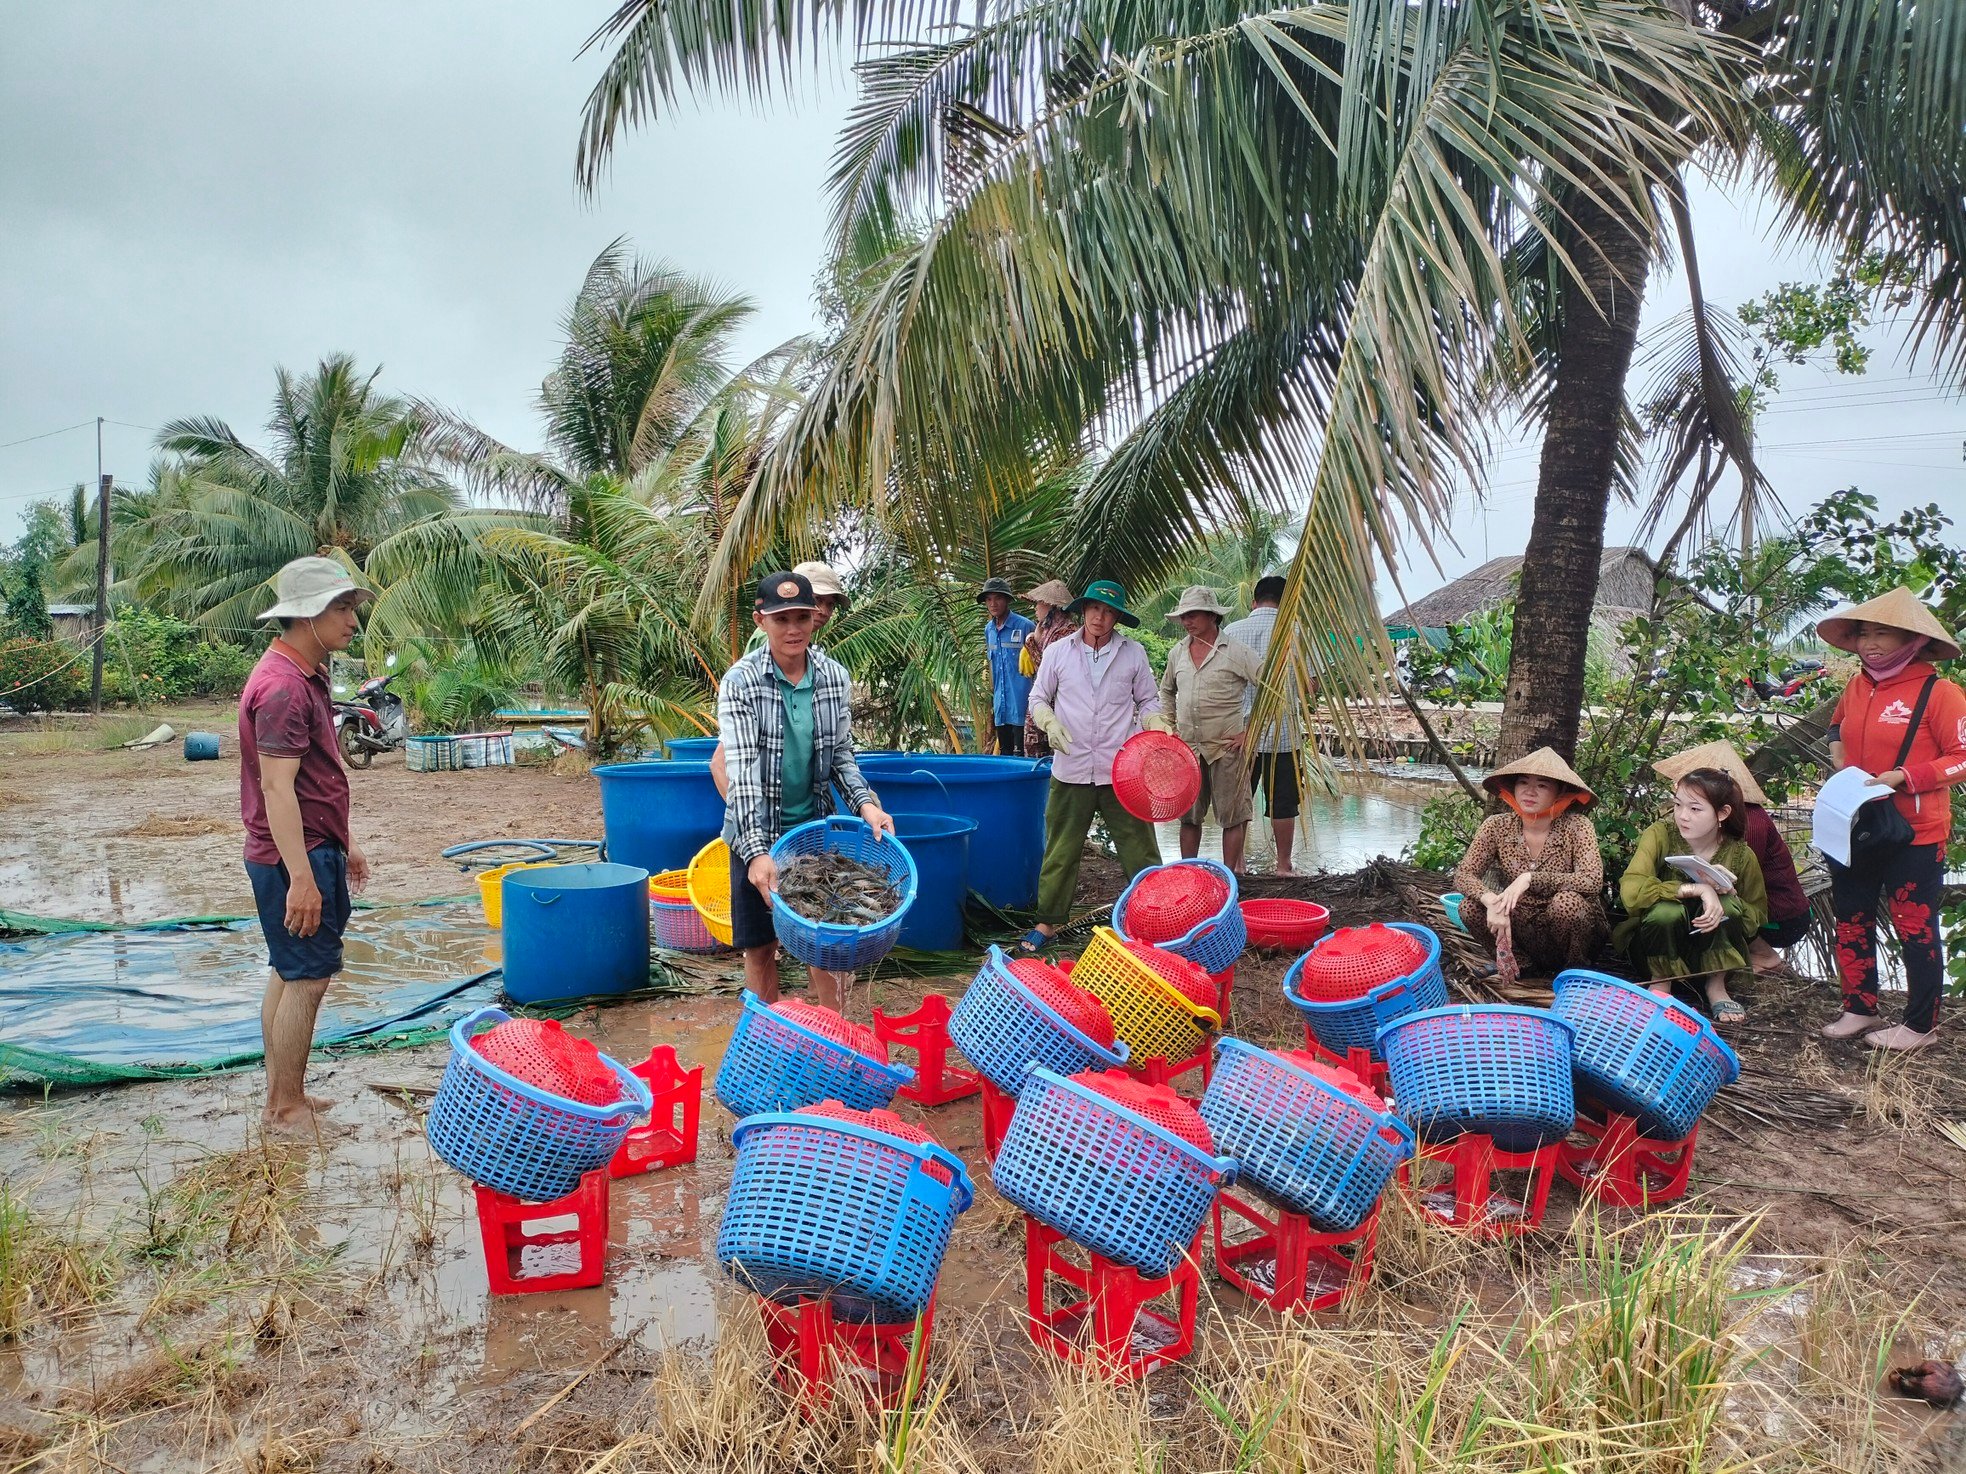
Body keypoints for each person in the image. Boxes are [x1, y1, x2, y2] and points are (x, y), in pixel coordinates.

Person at [239, 557, 373, 1133]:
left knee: (289, 971)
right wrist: (302, 877)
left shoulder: (304, 675)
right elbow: (277, 787)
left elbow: (318, 776)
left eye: (351, 608)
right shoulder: (283, 689)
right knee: (309, 977)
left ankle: (282, 1093)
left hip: (314, 844)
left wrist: (348, 842)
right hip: (294, 853)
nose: (352, 621)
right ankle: (285, 1107)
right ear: (307, 615)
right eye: (341, 608)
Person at [719, 570, 893, 1010]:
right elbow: (741, 776)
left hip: (812, 831)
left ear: (815, 617)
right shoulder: (740, 682)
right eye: (781, 619)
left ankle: (833, 1035)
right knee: (760, 947)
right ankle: (766, 1038)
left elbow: (840, 757)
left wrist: (867, 806)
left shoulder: (833, 677)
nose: (793, 629)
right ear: (761, 621)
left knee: (825, 941)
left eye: (802, 617)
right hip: (754, 830)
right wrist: (758, 852)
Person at [1814, 588, 1966, 1051]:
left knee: (1914, 925)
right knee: (1852, 917)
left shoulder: (1940, 693)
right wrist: (1841, 760)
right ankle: (1859, 1008)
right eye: (1863, 633)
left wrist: (1905, 776)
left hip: (1915, 833)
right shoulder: (1858, 685)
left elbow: (1963, 756)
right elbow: (1836, 726)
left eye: (1882, 633)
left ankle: (1920, 1026)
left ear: (1913, 640)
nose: (1869, 644)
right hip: (1855, 824)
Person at [1020, 580, 1171, 953]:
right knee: (1061, 849)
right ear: (1082, 610)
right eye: (1093, 610)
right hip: (1070, 767)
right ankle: (1047, 922)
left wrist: (1158, 722)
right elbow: (1038, 696)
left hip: (1122, 769)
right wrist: (1048, 721)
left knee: (1140, 846)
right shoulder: (1057, 652)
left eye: (1108, 612)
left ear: (1117, 616)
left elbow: (1148, 700)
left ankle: (1155, 920)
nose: (1099, 618)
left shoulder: (1133, 653)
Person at [1613, 768, 1767, 1025]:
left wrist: (1729, 895)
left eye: (1695, 809)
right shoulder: (1660, 834)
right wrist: (1695, 889)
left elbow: (1756, 916)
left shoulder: (1740, 855)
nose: (1683, 816)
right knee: (1667, 911)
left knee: (1727, 906)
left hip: (1708, 960)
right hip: (1653, 954)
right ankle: (1661, 985)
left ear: (1722, 813)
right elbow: (1631, 890)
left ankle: (1716, 986)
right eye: (1678, 804)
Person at [1653, 739, 1808, 975]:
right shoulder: (1712, 818)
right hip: (1760, 905)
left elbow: (1736, 879)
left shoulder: (1749, 822)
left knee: (1721, 902)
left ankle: (1763, 953)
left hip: (1779, 917)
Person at [1453, 748, 1608, 979]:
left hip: (1572, 931)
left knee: (1566, 903)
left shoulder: (1577, 825)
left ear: (1560, 791)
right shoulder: (1497, 826)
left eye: (1542, 785)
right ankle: (1522, 964)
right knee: (1469, 906)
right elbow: (1463, 874)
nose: (1530, 791)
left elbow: (1592, 881)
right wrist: (1491, 901)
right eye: (1523, 782)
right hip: (1523, 925)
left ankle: (1575, 970)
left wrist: (1530, 878)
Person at [712, 560, 848, 798]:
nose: (824, 611)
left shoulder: (820, 663)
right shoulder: (766, 642)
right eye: (817, 601)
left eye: (830, 604)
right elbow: (759, 694)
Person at [1160, 586, 1264, 873]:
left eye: (1192, 615)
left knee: (1232, 817)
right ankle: (1187, 874)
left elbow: (1269, 688)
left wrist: (1249, 730)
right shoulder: (1177, 653)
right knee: (1189, 817)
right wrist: (1169, 727)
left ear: (1211, 616)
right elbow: (1166, 691)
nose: (1187, 621)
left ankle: (1231, 878)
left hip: (1226, 747)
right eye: (1183, 616)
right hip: (1189, 749)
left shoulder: (1237, 652)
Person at [1225, 575, 1304, 874]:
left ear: (1253, 601)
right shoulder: (1296, 631)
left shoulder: (1231, 632)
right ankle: (1283, 865)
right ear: (1285, 604)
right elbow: (1309, 684)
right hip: (1284, 736)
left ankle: (1238, 865)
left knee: (1238, 802)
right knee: (1284, 803)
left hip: (1239, 734)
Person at [978, 576, 1036, 756]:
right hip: (1000, 708)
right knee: (1005, 755)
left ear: (1007, 600)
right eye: (988, 599)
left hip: (1022, 705)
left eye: (998, 598)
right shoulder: (989, 630)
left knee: (1021, 758)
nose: (993, 603)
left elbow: (1040, 663)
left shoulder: (1025, 626)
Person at [1019, 579, 1078, 759]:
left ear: (1050, 606)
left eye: (1038, 603)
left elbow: (1046, 669)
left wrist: (1030, 642)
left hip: (1058, 707)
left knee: (1054, 758)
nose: (1035, 608)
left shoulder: (1066, 633)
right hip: (1043, 704)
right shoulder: (1046, 630)